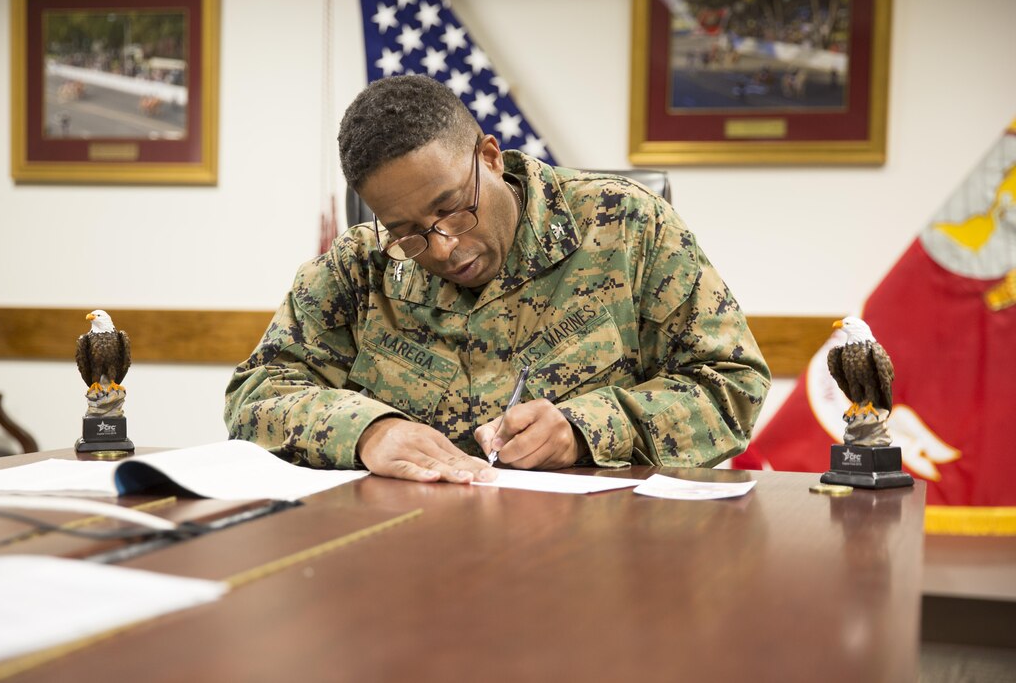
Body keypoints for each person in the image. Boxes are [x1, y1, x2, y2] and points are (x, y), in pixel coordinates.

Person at [225, 75, 770, 483]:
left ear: (488, 157)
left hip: (597, 563)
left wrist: (587, 428)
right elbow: (255, 396)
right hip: (406, 562)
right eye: (408, 231)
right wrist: (369, 432)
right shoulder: (360, 267)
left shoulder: (627, 227)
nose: (443, 247)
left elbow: (731, 386)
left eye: (453, 209)